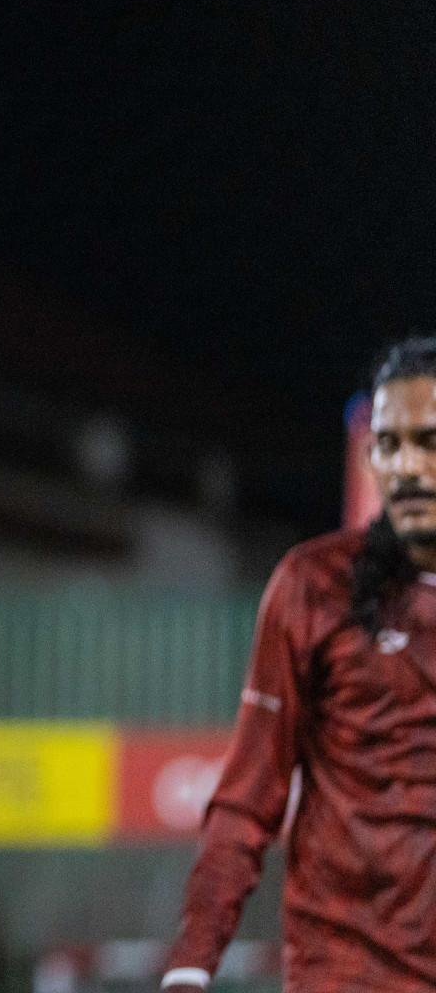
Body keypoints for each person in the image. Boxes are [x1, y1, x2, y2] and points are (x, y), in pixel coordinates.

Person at [162, 337, 436, 992]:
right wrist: (191, 964)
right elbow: (247, 802)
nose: (407, 466)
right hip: (345, 969)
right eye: (390, 444)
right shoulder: (312, 586)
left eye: (429, 441)